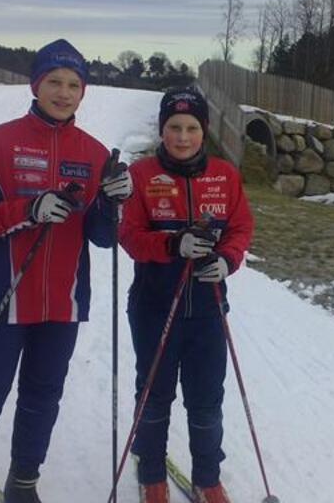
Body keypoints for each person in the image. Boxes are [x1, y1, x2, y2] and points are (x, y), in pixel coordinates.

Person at [0, 39, 133, 503]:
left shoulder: (94, 152)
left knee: (42, 400)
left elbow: (103, 237)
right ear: (36, 84)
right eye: (54, 82)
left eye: (73, 85)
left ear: (84, 92)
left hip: (62, 304)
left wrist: (112, 201)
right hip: (1, 299)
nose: (63, 93)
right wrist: (28, 209)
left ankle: (23, 482)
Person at [118, 87, 254, 503]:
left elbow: (240, 228)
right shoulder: (140, 175)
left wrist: (228, 260)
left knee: (206, 398)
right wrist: (172, 245)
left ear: (203, 130)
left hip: (208, 309)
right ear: (162, 130)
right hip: (155, 307)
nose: (182, 137)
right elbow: (128, 235)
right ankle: (152, 472)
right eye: (174, 127)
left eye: (191, 127)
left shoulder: (225, 174)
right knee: (155, 394)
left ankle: (207, 477)